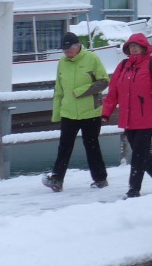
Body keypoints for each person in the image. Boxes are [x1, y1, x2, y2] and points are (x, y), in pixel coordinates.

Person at [102, 32, 152, 198]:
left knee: (138, 155)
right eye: (131, 46)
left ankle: (134, 189)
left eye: (136, 46)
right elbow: (114, 92)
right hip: (128, 118)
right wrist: (106, 112)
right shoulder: (123, 66)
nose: (133, 49)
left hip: (147, 118)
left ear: (143, 48)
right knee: (142, 153)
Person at [42, 32, 110, 192]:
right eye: (64, 50)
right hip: (69, 113)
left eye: (68, 49)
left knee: (91, 146)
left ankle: (100, 179)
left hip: (91, 112)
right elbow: (59, 89)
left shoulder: (92, 59)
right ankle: (57, 180)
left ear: (77, 46)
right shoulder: (62, 63)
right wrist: (57, 112)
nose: (66, 52)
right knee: (64, 147)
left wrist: (80, 91)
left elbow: (103, 81)